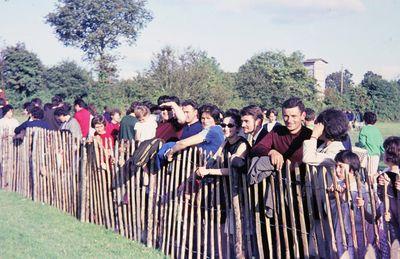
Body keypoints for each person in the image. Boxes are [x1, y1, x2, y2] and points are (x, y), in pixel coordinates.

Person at [329, 150, 375, 259]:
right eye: (336, 166)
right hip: (341, 235)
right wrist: (334, 196)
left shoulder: (363, 190)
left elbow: (371, 217)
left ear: (351, 170)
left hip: (359, 235)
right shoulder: (336, 187)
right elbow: (329, 212)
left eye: (340, 166)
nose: (337, 170)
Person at [250, 97, 312, 170]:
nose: (289, 120)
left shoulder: (310, 135)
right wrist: (271, 152)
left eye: (293, 116)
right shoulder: (277, 131)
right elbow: (257, 148)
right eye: (286, 116)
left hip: (306, 179)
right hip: (279, 179)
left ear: (303, 116)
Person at [195, 110, 250, 177]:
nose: (226, 128)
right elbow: (215, 157)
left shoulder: (242, 144)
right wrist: (203, 169)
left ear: (238, 128)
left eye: (230, 125)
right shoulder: (226, 141)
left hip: (239, 184)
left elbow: (234, 169)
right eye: (223, 125)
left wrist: (209, 171)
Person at [377, 136, 400, 258]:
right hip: (389, 216)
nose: (383, 153)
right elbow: (381, 197)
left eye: (385, 150)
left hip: (397, 214)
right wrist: (380, 187)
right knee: (392, 244)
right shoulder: (385, 171)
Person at [358, 111, 384, 178]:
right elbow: (381, 144)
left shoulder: (364, 129)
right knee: (373, 175)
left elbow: (362, 143)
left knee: (369, 177)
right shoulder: (377, 130)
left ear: (365, 120)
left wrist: (357, 145)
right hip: (376, 155)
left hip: (368, 155)